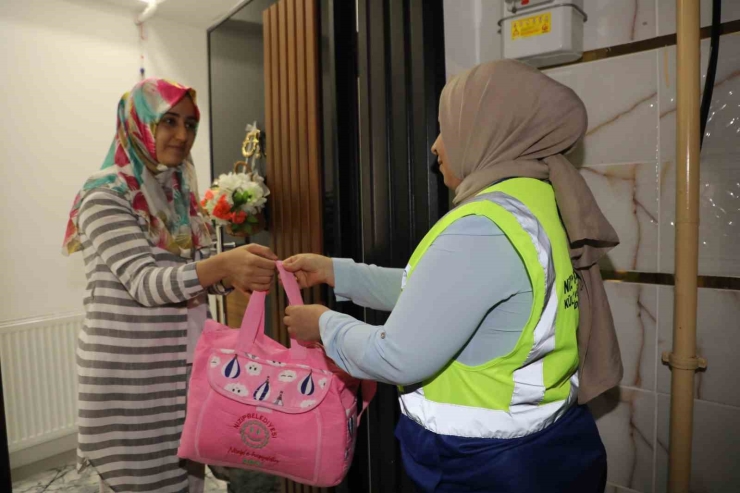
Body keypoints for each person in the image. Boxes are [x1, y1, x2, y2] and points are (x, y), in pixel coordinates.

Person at [281, 59, 622, 492]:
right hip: (541, 445)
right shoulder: (536, 205)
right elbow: (438, 298)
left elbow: (398, 355)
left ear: (489, 128)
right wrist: (336, 273)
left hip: (486, 466)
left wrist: (323, 325)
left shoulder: (483, 226)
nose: (436, 146)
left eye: (447, 127)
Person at [62, 78, 277, 493]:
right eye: (170, 121)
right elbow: (145, 282)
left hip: (182, 372)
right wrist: (221, 265)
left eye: (192, 125)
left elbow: (191, 274)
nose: (183, 136)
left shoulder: (175, 193)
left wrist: (234, 274)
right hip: (132, 383)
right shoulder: (105, 194)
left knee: (186, 481)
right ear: (138, 123)